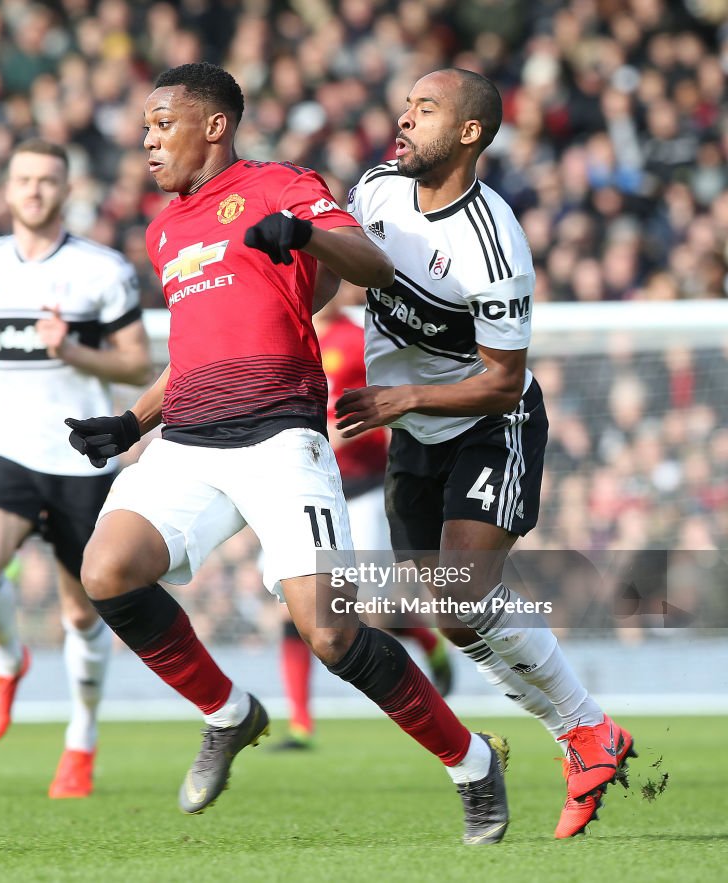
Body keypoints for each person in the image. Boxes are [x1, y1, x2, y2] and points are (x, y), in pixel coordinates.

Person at [66, 62, 510, 845]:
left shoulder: (280, 184)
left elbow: (373, 265)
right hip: (189, 440)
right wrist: (132, 422)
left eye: (161, 123)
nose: (146, 140)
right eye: (144, 127)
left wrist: (306, 233)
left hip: (279, 438)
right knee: (104, 570)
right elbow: (200, 352)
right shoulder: (164, 227)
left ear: (214, 124)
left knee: (332, 634)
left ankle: (472, 763)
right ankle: (228, 713)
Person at [338, 68, 636, 839]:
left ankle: (581, 728)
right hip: (411, 437)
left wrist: (401, 398)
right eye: (403, 104)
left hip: (486, 425)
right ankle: (589, 732)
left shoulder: (494, 244)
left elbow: (503, 385)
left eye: (425, 109)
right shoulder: (375, 189)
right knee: (449, 615)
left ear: (469, 133)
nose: (403, 118)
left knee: (463, 594)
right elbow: (333, 281)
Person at [0, 139, 151, 799]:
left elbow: (138, 365)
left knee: (84, 611)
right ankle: (8, 661)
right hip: (6, 443)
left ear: (67, 190)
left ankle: (81, 740)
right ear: (7, 189)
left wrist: (74, 354)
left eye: (47, 180)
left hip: (81, 454)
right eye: (24, 179)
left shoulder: (101, 270)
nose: (34, 190)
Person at [275, 298, 453, 750]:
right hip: (300, 487)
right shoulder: (279, 335)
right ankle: (300, 724)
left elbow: (394, 409)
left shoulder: (358, 339)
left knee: (370, 613)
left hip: (363, 489)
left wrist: (351, 427)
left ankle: (426, 641)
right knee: (292, 607)